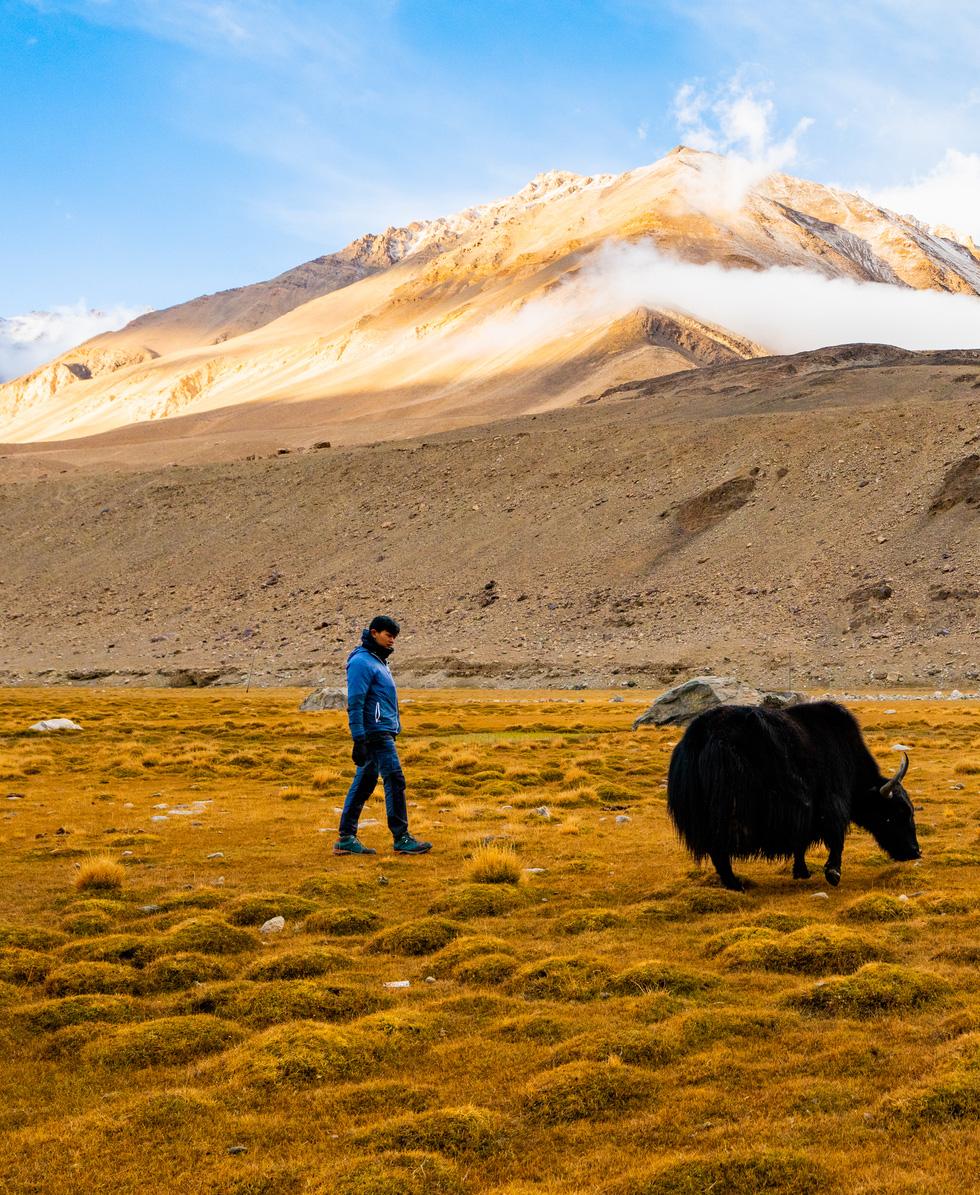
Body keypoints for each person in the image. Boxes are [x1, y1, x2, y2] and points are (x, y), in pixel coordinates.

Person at [334, 615, 432, 856]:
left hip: (381, 729)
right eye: (388, 636)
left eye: (394, 637)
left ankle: (346, 838)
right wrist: (358, 738)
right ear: (374, 632)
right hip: (375, 732)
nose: (392, 641)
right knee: (395, 779)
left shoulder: (378, 661)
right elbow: (355, 702)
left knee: (365, 782)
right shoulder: (361, 662)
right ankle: (401, 837)